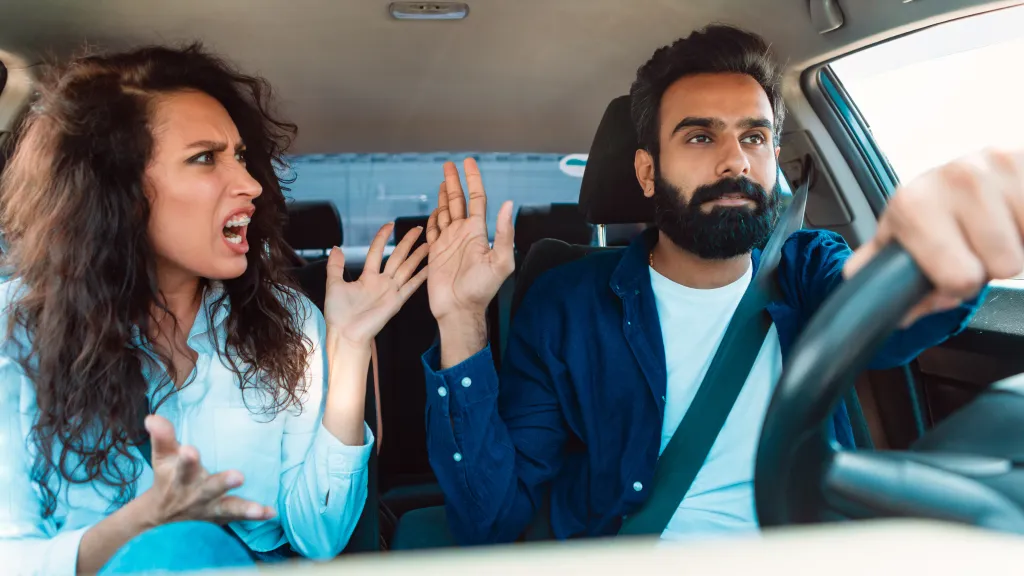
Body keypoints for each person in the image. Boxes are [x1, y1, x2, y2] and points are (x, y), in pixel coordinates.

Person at [421, 24, 1023, 545]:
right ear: (647, 171)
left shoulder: (807, 266)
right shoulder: (566, 304)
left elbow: (893, 327)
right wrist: (461, 319)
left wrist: (948, 245)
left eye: (754, 137)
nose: (735, 160)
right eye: (701, 137)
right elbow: (490, 517)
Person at [0, 44, 428, 574]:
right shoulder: (13, 332)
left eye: (242, 156)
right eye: (205, 158)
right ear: (120, 189)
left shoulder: (287, 321)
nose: (249, 185)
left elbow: (319, 536)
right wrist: (139, 527)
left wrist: (352, 343)